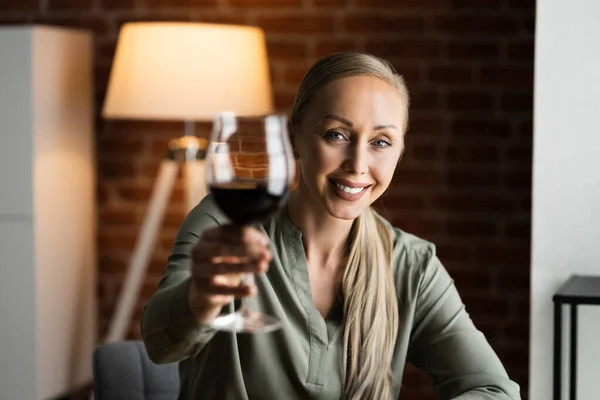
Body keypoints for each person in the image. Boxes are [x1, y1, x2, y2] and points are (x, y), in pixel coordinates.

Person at [140, 51, 521, 400]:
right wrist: (200, 299)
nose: (357, 163)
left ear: (400, 152)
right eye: (336, 135)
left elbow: (493, 391)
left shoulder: (412, 266)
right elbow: (160, 344)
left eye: (381, 142)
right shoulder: (223, 224)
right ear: (295, 138)